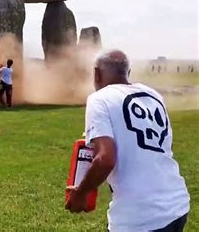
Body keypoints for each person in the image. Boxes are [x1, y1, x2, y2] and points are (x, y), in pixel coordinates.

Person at [65, 50, 190, 231]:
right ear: (128, 73)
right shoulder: (154, 95)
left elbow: (105, 159)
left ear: (97, 74)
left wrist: (81, 192)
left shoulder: (99, 99)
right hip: (177, 205)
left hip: (139, 217)